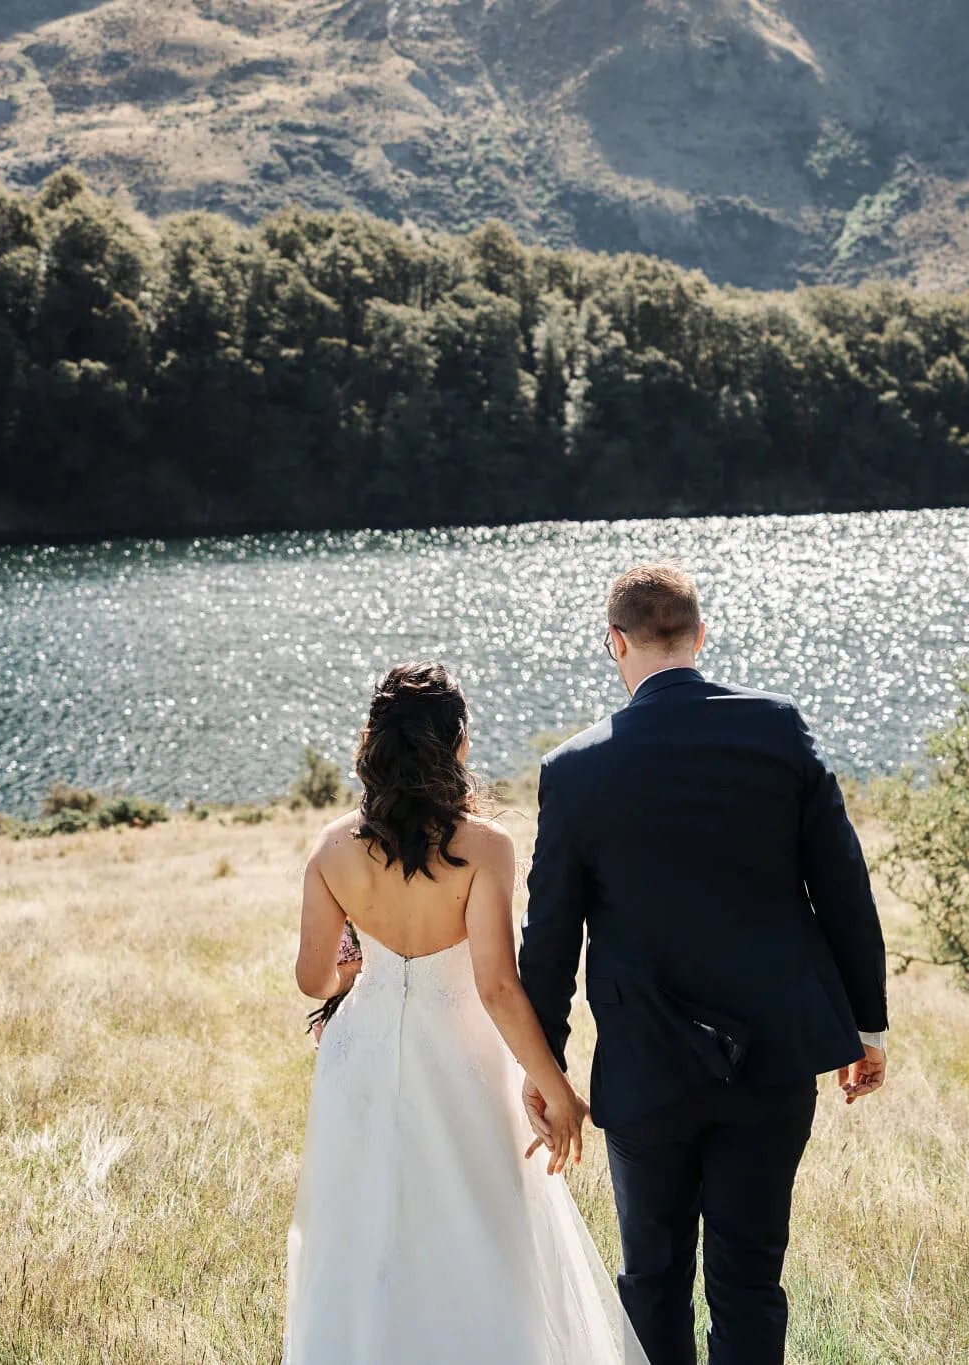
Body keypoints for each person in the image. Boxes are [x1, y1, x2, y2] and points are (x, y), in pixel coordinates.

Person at [521, 563, 889, 1365]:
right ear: (700, 638)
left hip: (646, 1061)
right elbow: (842, 886)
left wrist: (546, 1069)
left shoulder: (575, 768)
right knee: (750, 1279)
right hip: (775, 1059)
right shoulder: (777, 729)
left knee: (650, 1279)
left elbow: (548, 938)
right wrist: (867, 1024)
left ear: (613, 641)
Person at [283, 662, 647, 1365]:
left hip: (358, 1060)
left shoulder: (331, 848)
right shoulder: (484, 846)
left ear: (373, 745)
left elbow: (310, 977)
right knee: (481, 1231)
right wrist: (559, 1088)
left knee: (363, 1230)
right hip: (462, 1059)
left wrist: (355, 970)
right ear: (457, 744)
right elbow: (499, 989)